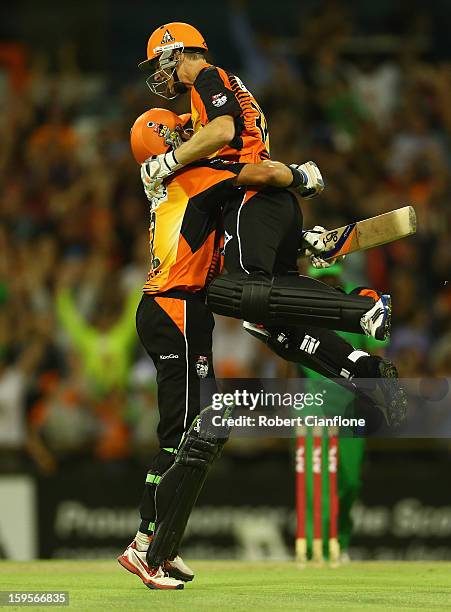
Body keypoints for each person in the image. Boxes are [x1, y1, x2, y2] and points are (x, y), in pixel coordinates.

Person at [118, 107, 323, 590]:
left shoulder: (182, 180)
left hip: (176, 307)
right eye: (180, 128)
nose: (191, 130)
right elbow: (266, 174)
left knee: (195, 429)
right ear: (165, 139)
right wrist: (303, 175)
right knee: (187, 431)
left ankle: (158, 543)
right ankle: (146, 545)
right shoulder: (195, 174)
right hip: (176, 307)